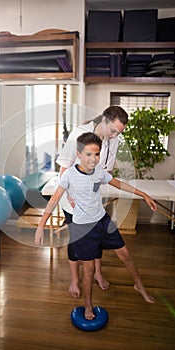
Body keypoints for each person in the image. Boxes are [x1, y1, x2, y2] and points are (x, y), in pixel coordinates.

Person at [35, 132, 157, 320]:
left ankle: (139, 285)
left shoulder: (98, 171)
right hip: (83, 228)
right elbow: (54, 198)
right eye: (89, 154)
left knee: (125, 254)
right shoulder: (69, 175)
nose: (94, 159)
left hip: (102, 222)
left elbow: (118, 183)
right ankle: (88, 305)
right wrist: (41, 225)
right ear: (78, 154)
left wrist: (144, 195)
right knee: (89, 269)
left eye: (97, 154)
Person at [56, 105, 128, 297]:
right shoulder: (79, 134)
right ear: (104, 120)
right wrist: (71, 197)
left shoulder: (114, 140)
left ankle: (97, 273)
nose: (114, 135)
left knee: (96, 236)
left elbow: (105, 171)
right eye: (113, 130)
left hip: (93, 200)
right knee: (77, 239)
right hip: (72, 201)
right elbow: (64, 168)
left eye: (118, 132)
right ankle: (74, 280)